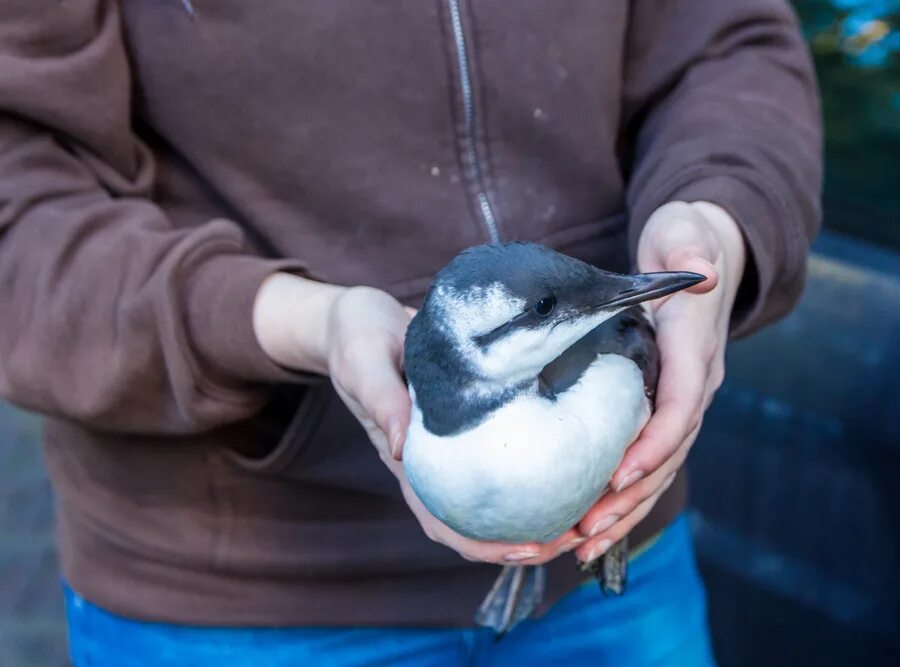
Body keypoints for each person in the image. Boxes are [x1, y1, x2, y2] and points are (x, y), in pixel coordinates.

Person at [0, 1, 821, 664]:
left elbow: (729, 45)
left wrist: (717, 213)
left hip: (616, 560)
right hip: (240, 602)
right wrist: (298, 322)